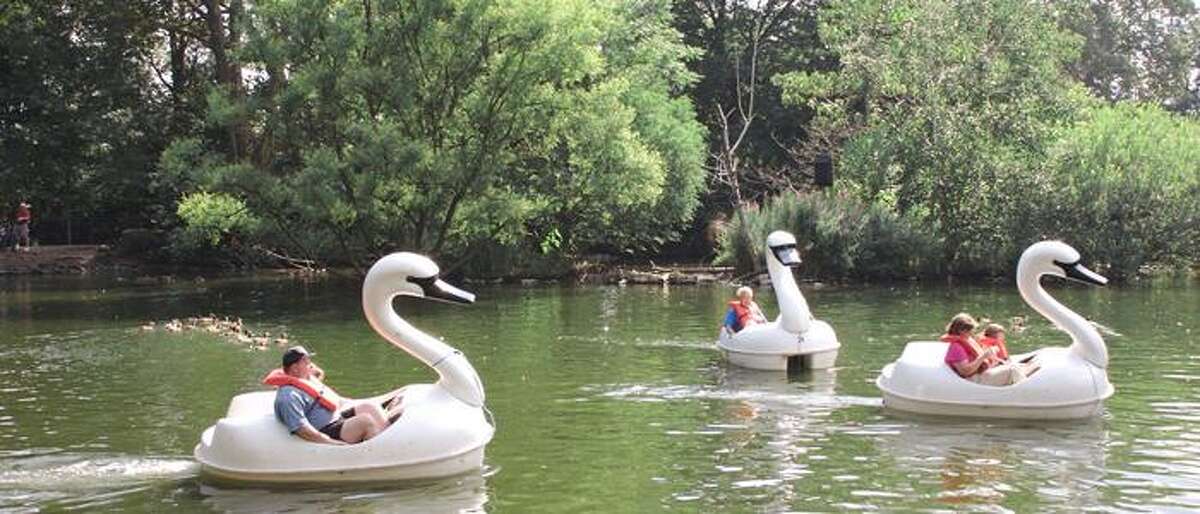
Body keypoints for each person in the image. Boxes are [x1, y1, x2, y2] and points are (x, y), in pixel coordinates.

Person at [268, 346, 403, 445]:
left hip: (336, 418)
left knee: (369, 407)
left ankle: (391, 441)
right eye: (305, 360)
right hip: (325, 430)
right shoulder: (288, 396)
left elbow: (319, 377)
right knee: (365, 421)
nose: (310, 363)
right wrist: (329, 441)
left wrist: (315, 373)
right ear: (295, 368)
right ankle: (379, 454)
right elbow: (300, 428)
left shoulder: (306, 379)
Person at [941, 313, 1033, 386]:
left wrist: (991, 360)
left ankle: (1026, 382)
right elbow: (965, 372)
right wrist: (983, 356)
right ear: (961, 331)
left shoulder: (966, 340)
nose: (972, 333)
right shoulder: (956, 347)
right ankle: (1028, 393)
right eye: (969, 331)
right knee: (1012, 371)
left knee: (1015, 366)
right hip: (973, 380)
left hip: (980, 373)